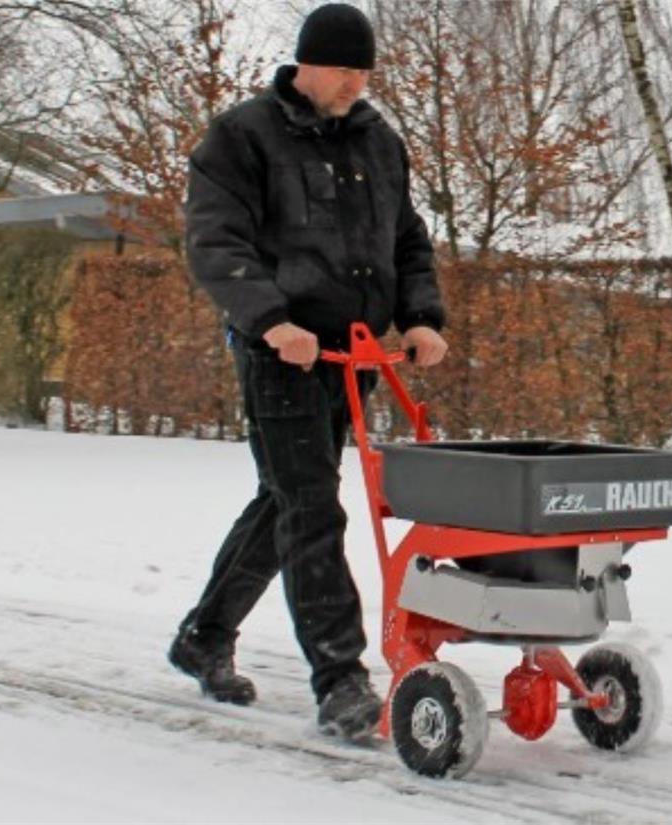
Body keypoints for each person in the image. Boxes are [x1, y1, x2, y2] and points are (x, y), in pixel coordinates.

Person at [168, 2, 448, 742]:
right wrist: (271, 320)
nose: (356, 83)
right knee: (313, 508)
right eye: (344, 69)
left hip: (352, 354)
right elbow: (216, 242)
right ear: (307, 64)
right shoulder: (242, 136)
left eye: (364, 71)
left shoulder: (378, 141)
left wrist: (421, 317)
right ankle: (340, 679)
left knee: (286, 500)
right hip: (282, 352)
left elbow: (407, 239)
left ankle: (203, 636)